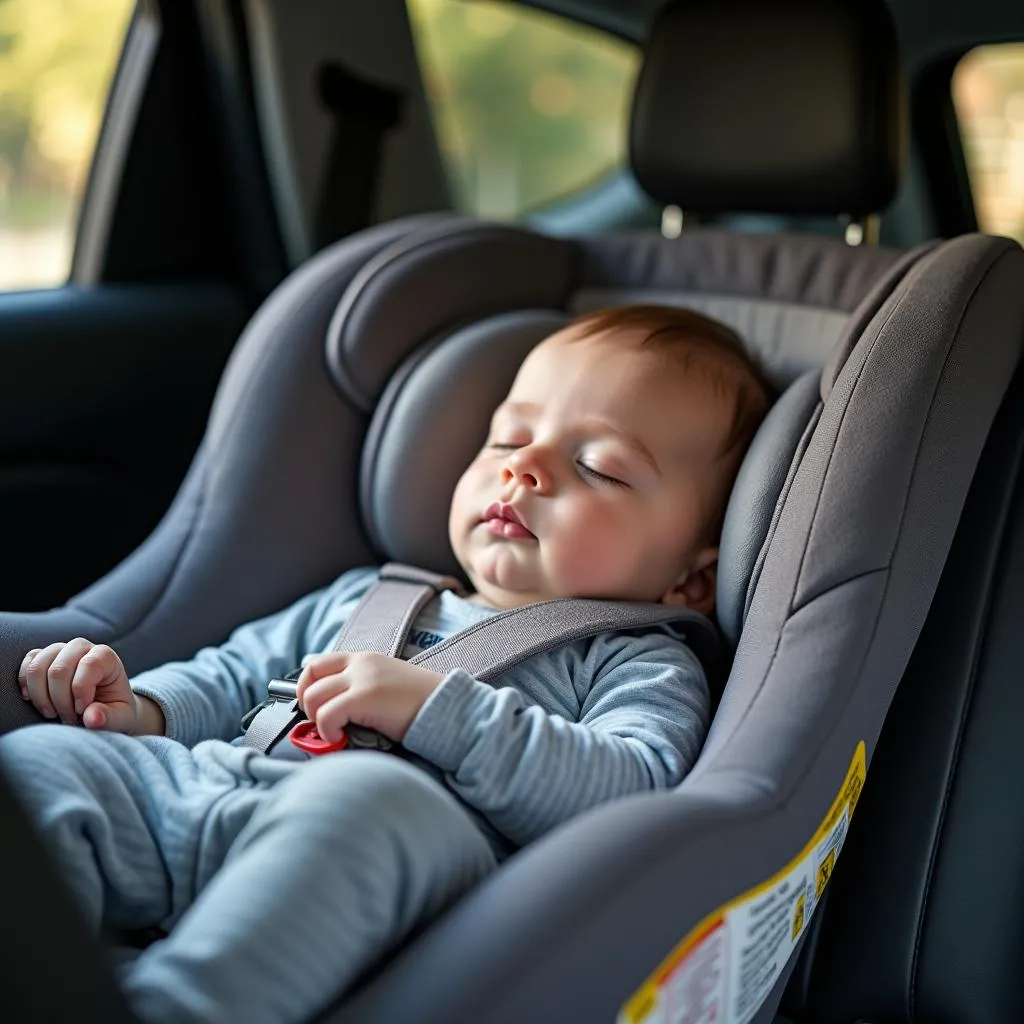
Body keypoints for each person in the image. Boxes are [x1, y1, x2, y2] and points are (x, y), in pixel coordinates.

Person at [0, 304, 775, 1024]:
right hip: (216, 785)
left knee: (368, 804)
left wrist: (432, 708)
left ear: (692, 578)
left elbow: (631, 787)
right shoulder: (373, 594)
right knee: (43, 762)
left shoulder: (637, 657)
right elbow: (236, 673)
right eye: (507, 439)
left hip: (397, 847)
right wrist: (139, 709)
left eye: (600, 466)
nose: (524, 468)